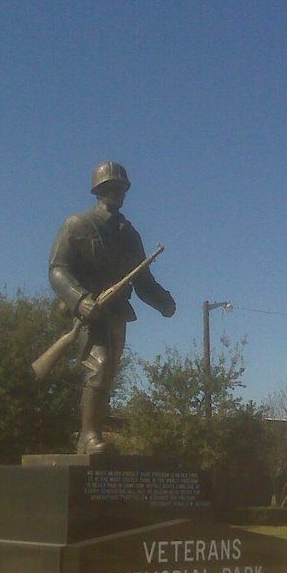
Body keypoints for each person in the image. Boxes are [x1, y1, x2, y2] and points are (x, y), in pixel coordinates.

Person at [48, 161, 176, 453]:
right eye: (111, 187)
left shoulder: (129, 234)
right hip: (87, 313)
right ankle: (89, 436)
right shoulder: (77, 224)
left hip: (116, 313)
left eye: (121, 188)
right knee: (99, 368)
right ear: (98, 190)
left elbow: (142, 278)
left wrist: (162, 302)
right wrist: (80, 299)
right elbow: (58, 269)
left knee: (108, 376)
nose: (117, 193)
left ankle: (90, 434)